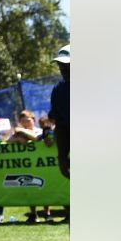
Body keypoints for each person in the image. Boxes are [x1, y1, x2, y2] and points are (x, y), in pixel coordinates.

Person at [50, 45, 70, 180]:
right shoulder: (59, 91)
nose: (62, 68)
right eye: (60, 64)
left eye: (66, 64)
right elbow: (61, 124)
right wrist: (62, 156)